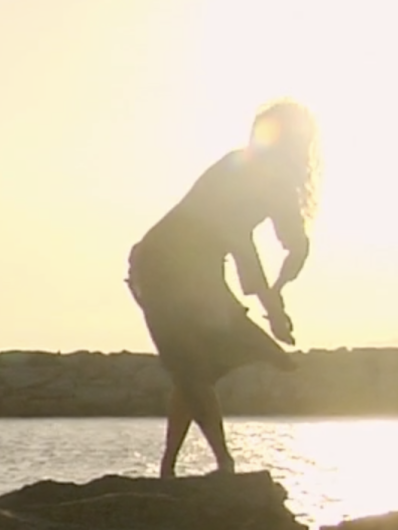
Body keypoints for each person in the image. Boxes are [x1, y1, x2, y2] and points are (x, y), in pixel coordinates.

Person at [125, 100, 317, 478]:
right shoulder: (239, 168)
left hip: (202, 271)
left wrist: (278, 288)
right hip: (163, 262)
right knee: (190, 365)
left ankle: (169, 469)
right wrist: (271, 308)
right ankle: (221, 465)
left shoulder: (281, 185)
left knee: (197, 368)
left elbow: (296, 244)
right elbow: (239, 242)